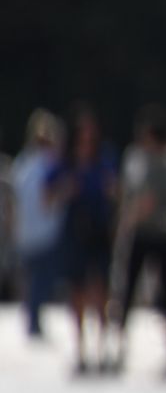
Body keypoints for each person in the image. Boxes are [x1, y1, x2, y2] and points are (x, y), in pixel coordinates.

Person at [110, 107, 166, 374]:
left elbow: (147, 199)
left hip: (158, 232)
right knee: (131, 289)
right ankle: (120, 345)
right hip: (148, 233)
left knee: (163, 293)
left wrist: (127, 220)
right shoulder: (141, 159)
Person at [51, 106, 118, 376]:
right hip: (74, 231)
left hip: (99, 230)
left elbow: (116, 191)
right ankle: (80, 348)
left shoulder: (105, 158)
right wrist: (67, 189)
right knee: (76, 290)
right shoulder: (66, 162)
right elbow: (49, 197)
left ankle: (102, 347)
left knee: (100, 288)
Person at [10, 111, 66, 342]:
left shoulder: (25, 163)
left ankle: (33, 316)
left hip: (37, 230)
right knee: (37, 277)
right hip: (38, 231)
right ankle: (33, 318)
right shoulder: (34, 163)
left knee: (37, 278)